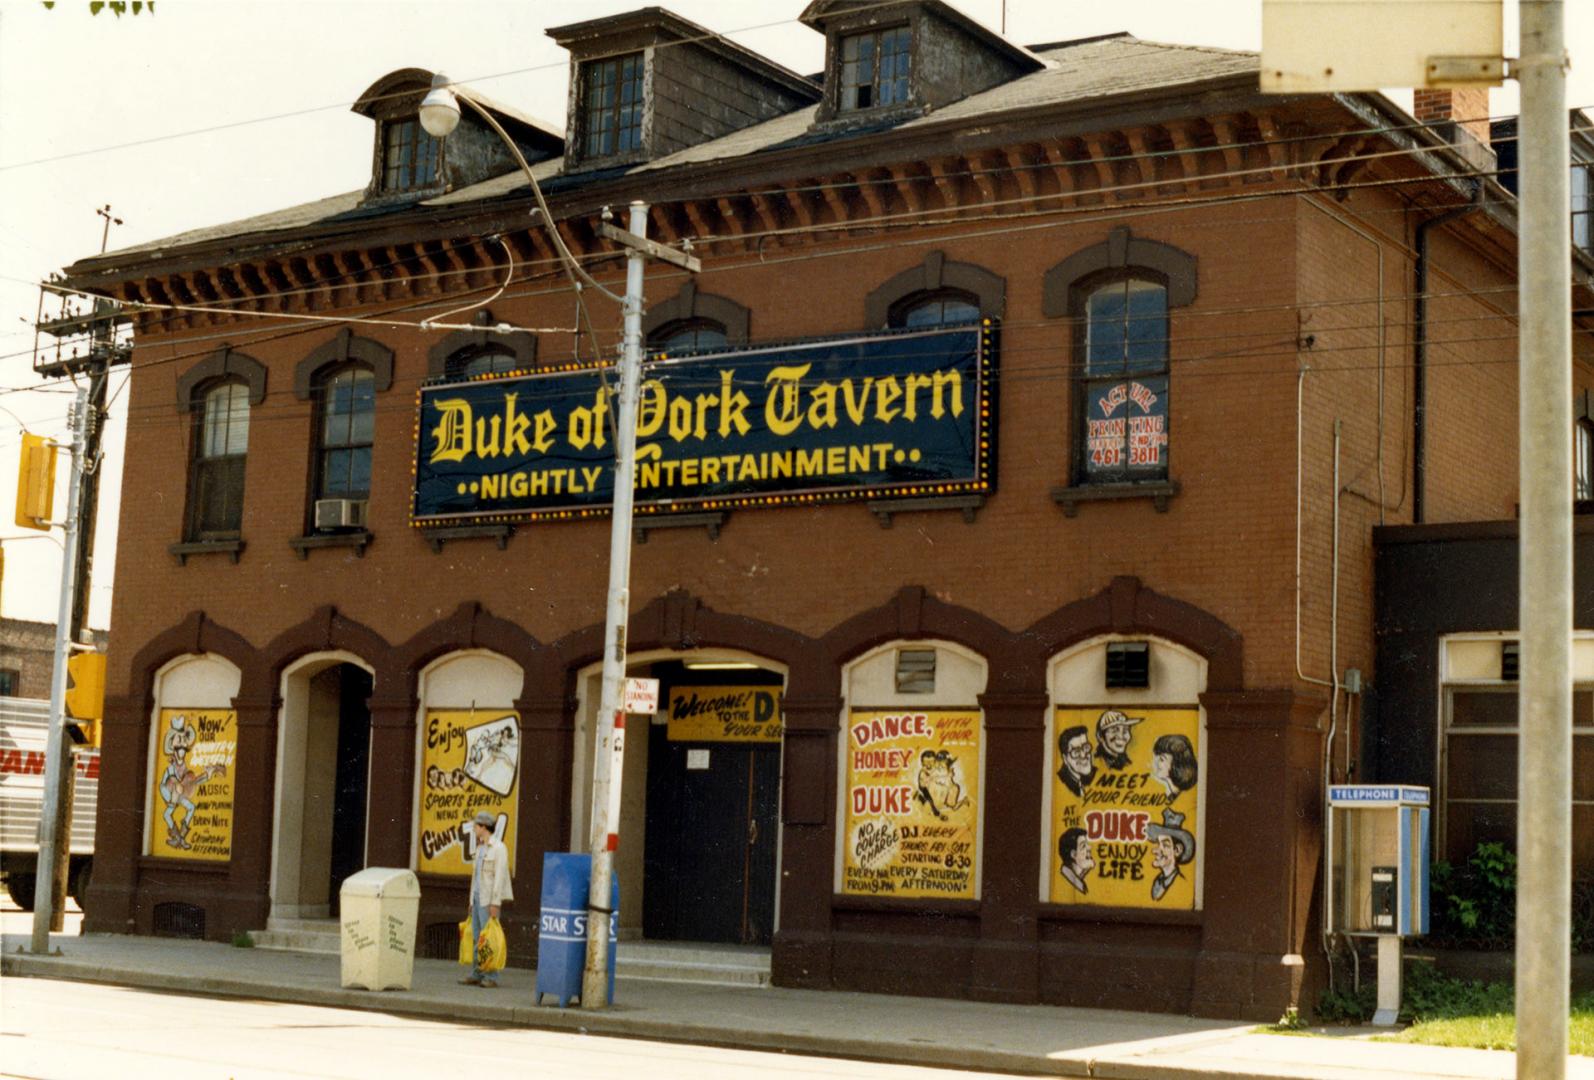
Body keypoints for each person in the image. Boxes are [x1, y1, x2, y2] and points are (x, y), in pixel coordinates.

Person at [460, 810, 512, 988]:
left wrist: (495, 903)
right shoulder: (481, 848)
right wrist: (470, 901)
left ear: (484, 827)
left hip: (488, 900)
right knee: (476, 937)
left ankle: (492, 976)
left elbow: (500, 877)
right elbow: (475, 878)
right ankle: (477, 973)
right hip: (477, 898)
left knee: (487, 939)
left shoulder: (499, 848)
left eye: (476, 826)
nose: (474, 829)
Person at [1146, 808, 1196, 901]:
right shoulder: (1157, 882)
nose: (1156, 850)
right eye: (1158, 844)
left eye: (1165, 845)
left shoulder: (1182, 885)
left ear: (1177, 850)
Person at [1149, 733, 1198, 801]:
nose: (1156, 763)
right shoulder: (1171, 795)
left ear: (1176, 763)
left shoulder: (1184, 798)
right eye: (1157, 758)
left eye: (1162, 759)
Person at [1056, 725, 1094, 798]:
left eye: (1086, 747)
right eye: (1076, 752)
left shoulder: (1091, 777)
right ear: (1065, 759)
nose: (1083, 755)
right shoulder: (1061, 782)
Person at [1058, 827, 1094, 895]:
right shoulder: (1065, 882)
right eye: (1083, 846)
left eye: (1087, 844)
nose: (1089, 847)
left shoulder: (1077, 882)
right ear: (1074, 854)